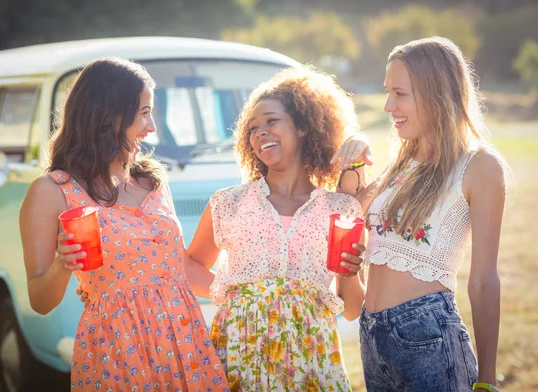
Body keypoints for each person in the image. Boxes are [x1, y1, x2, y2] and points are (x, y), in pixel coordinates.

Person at [19, 57, 229, 391]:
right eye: (145, 112)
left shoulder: (152, 181)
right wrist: (63, 265)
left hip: (183, 340)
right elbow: (39, 301)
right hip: (118, 346)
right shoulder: (51, 191)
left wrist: (241, 294)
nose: (152, 127)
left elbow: (179, 268)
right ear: (108, 115)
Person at [185, 66, 369, 391]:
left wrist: (351, 272)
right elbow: (189, 265)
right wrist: (235, 294)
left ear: (302, 127)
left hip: (311, 357)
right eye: (253, 128)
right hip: (240, 351)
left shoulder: (340, 209)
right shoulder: (228, 203)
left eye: (272, 121)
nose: (260, 133)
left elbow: (352, 309)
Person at [358, 37, 511, 392]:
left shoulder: (480, 166)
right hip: (372, 335)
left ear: (436, 93)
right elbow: (348, 213)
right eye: (387, 92)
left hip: (427, 335)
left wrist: (487, 378)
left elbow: (484, 279)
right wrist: (354, 145)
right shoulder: (400, 163)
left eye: (399, 94)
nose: (387, 106)